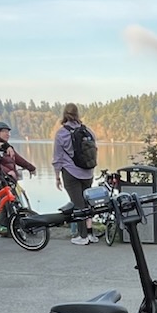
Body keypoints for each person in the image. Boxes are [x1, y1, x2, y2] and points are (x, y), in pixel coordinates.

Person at [52, 102, 97, 243]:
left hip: (71, 173)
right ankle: (90, 233)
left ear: (64, 114)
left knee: (78, 205)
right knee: (87, 203)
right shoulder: (88, 131)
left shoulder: (62, 133)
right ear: (77, 114)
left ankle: (82, 237)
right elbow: (94, 151)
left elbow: (57, 157)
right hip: (88, 172)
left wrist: (57, 176)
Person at [0, 121, 37, 234]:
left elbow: (17, 158)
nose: (8, 134)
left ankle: (7, 228)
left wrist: (31, 167)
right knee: (7, 204)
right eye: (5, 132)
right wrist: (8, 172)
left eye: (8, 132)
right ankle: (9, 227)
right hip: (1, 179)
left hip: (9, 178)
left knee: (8, 203)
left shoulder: (6, 146)